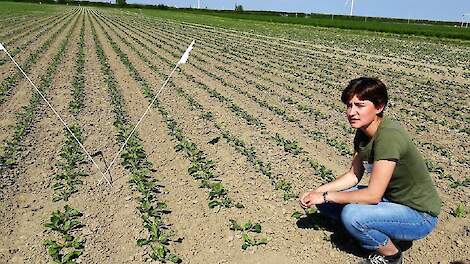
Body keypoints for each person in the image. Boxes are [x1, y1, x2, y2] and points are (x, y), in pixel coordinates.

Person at [299, 77, 441, 264]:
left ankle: (391, 255)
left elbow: (373, 195)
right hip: (391, 202)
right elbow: (353, 175)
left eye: (360, 105)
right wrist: (319, 192)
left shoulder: (389, 136)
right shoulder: (363, 133)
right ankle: (373, 230)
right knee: (326, 202)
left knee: (352, 215)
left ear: (379, 107)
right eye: (349, 105)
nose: (352, 112)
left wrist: (327, 196)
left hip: (419, 215)